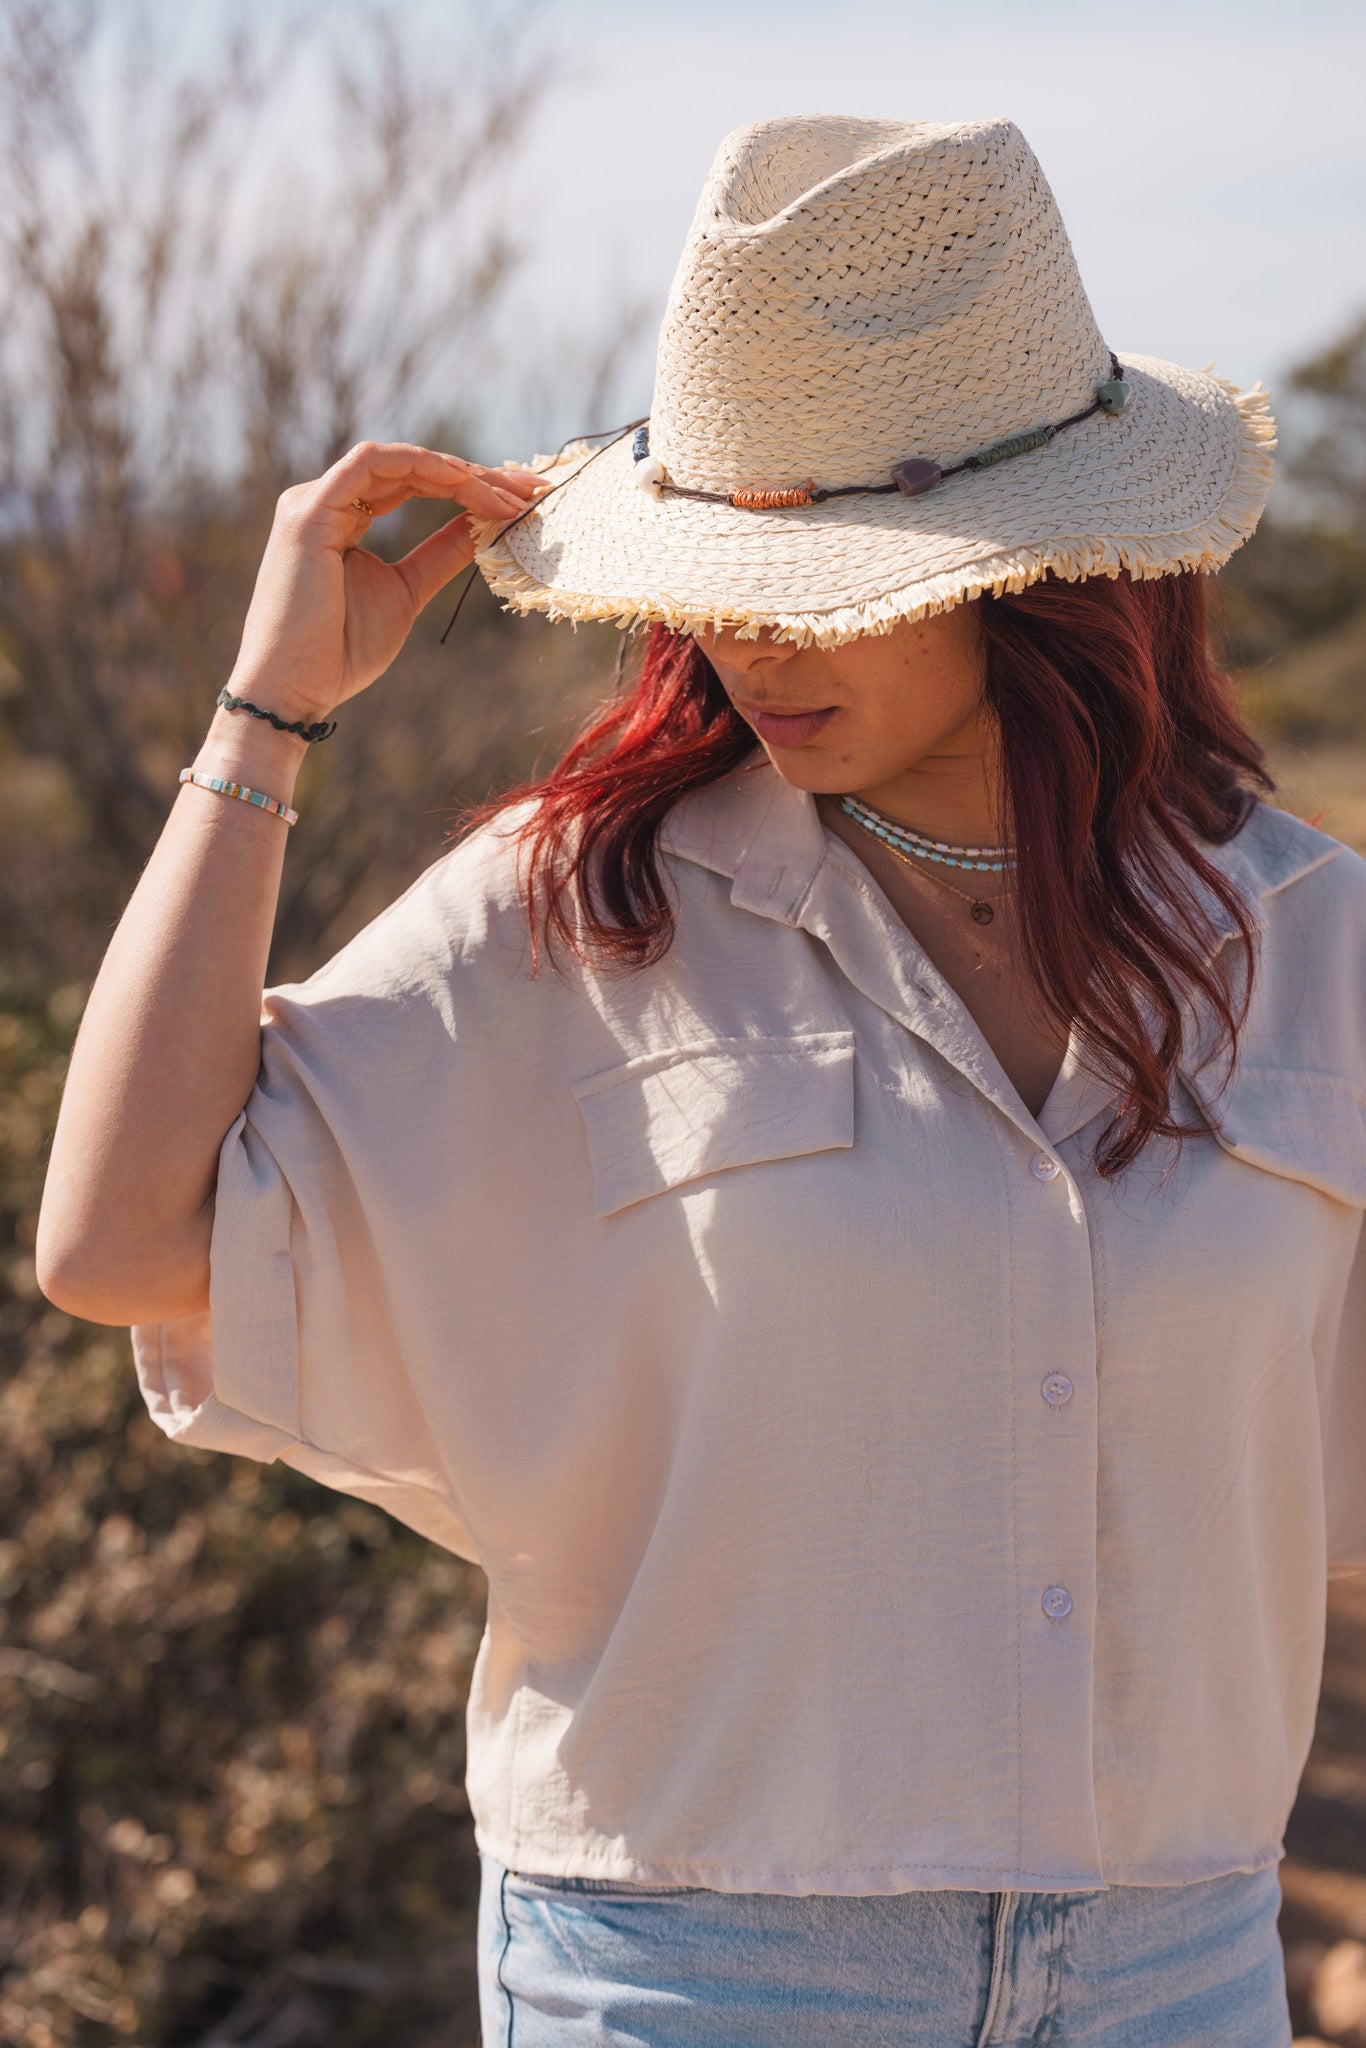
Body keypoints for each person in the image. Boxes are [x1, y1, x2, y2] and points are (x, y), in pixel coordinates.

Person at [36, 115, 1364, 2048]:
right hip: (692, 1978)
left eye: (818, 569)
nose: (741, 631)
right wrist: (268, 717)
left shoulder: (1304, 934)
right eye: (716, 560)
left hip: (1183, 1974)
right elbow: (119, 1239)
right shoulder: (579, 912)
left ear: (1036, 569)